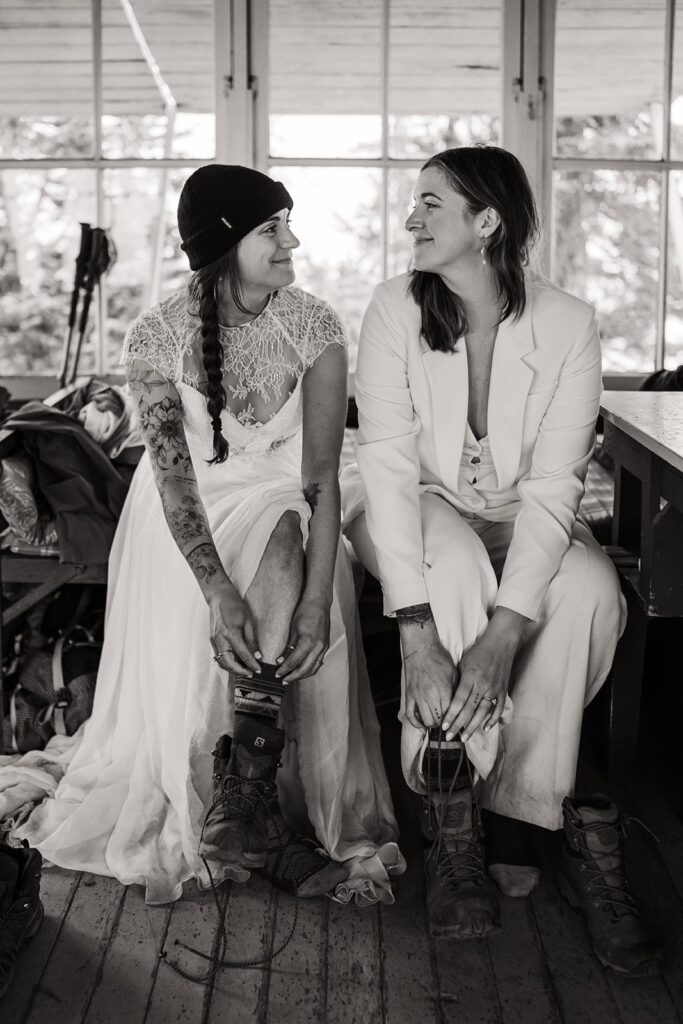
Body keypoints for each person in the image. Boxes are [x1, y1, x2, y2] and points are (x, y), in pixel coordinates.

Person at [18, 165, 403, 907]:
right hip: (181, 528)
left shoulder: (316, 328)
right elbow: (172, 481)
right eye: (272, 228)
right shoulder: (159, 336)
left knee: (285, 528)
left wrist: (321, 602)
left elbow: (320, 478)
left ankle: (249, 795)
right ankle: (256, 801)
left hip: (290, 508)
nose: (292, 239)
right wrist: (215, 586)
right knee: (275, 537)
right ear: (224, 244)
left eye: (287, 222)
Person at [343, 145, 662, 974]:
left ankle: (522, 801)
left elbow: (556, 485)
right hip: (413, 505)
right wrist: (414, 632)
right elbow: (382, 460)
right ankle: (451, 805)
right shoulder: (390, 310)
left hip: (524, 511)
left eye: (429, 204)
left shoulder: (566, 324)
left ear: (486, 222)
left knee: (591, 588)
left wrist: (503, 632)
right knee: (448, 565)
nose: (408, 219)